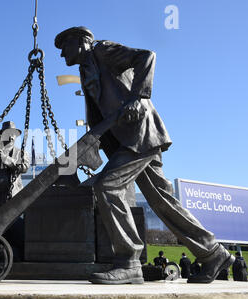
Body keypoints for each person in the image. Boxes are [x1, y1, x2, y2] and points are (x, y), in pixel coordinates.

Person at [55, 26, 235, 284]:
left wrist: (139, 96)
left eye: (65, 47)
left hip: (139, 135)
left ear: (82, 42)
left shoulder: (102, 51)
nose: (62, 55)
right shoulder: (86, 69)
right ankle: (213, 253)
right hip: (126, 141)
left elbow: (146, 56)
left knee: (107, 187)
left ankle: (128, 261)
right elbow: (98, 113)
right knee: (162, 201)